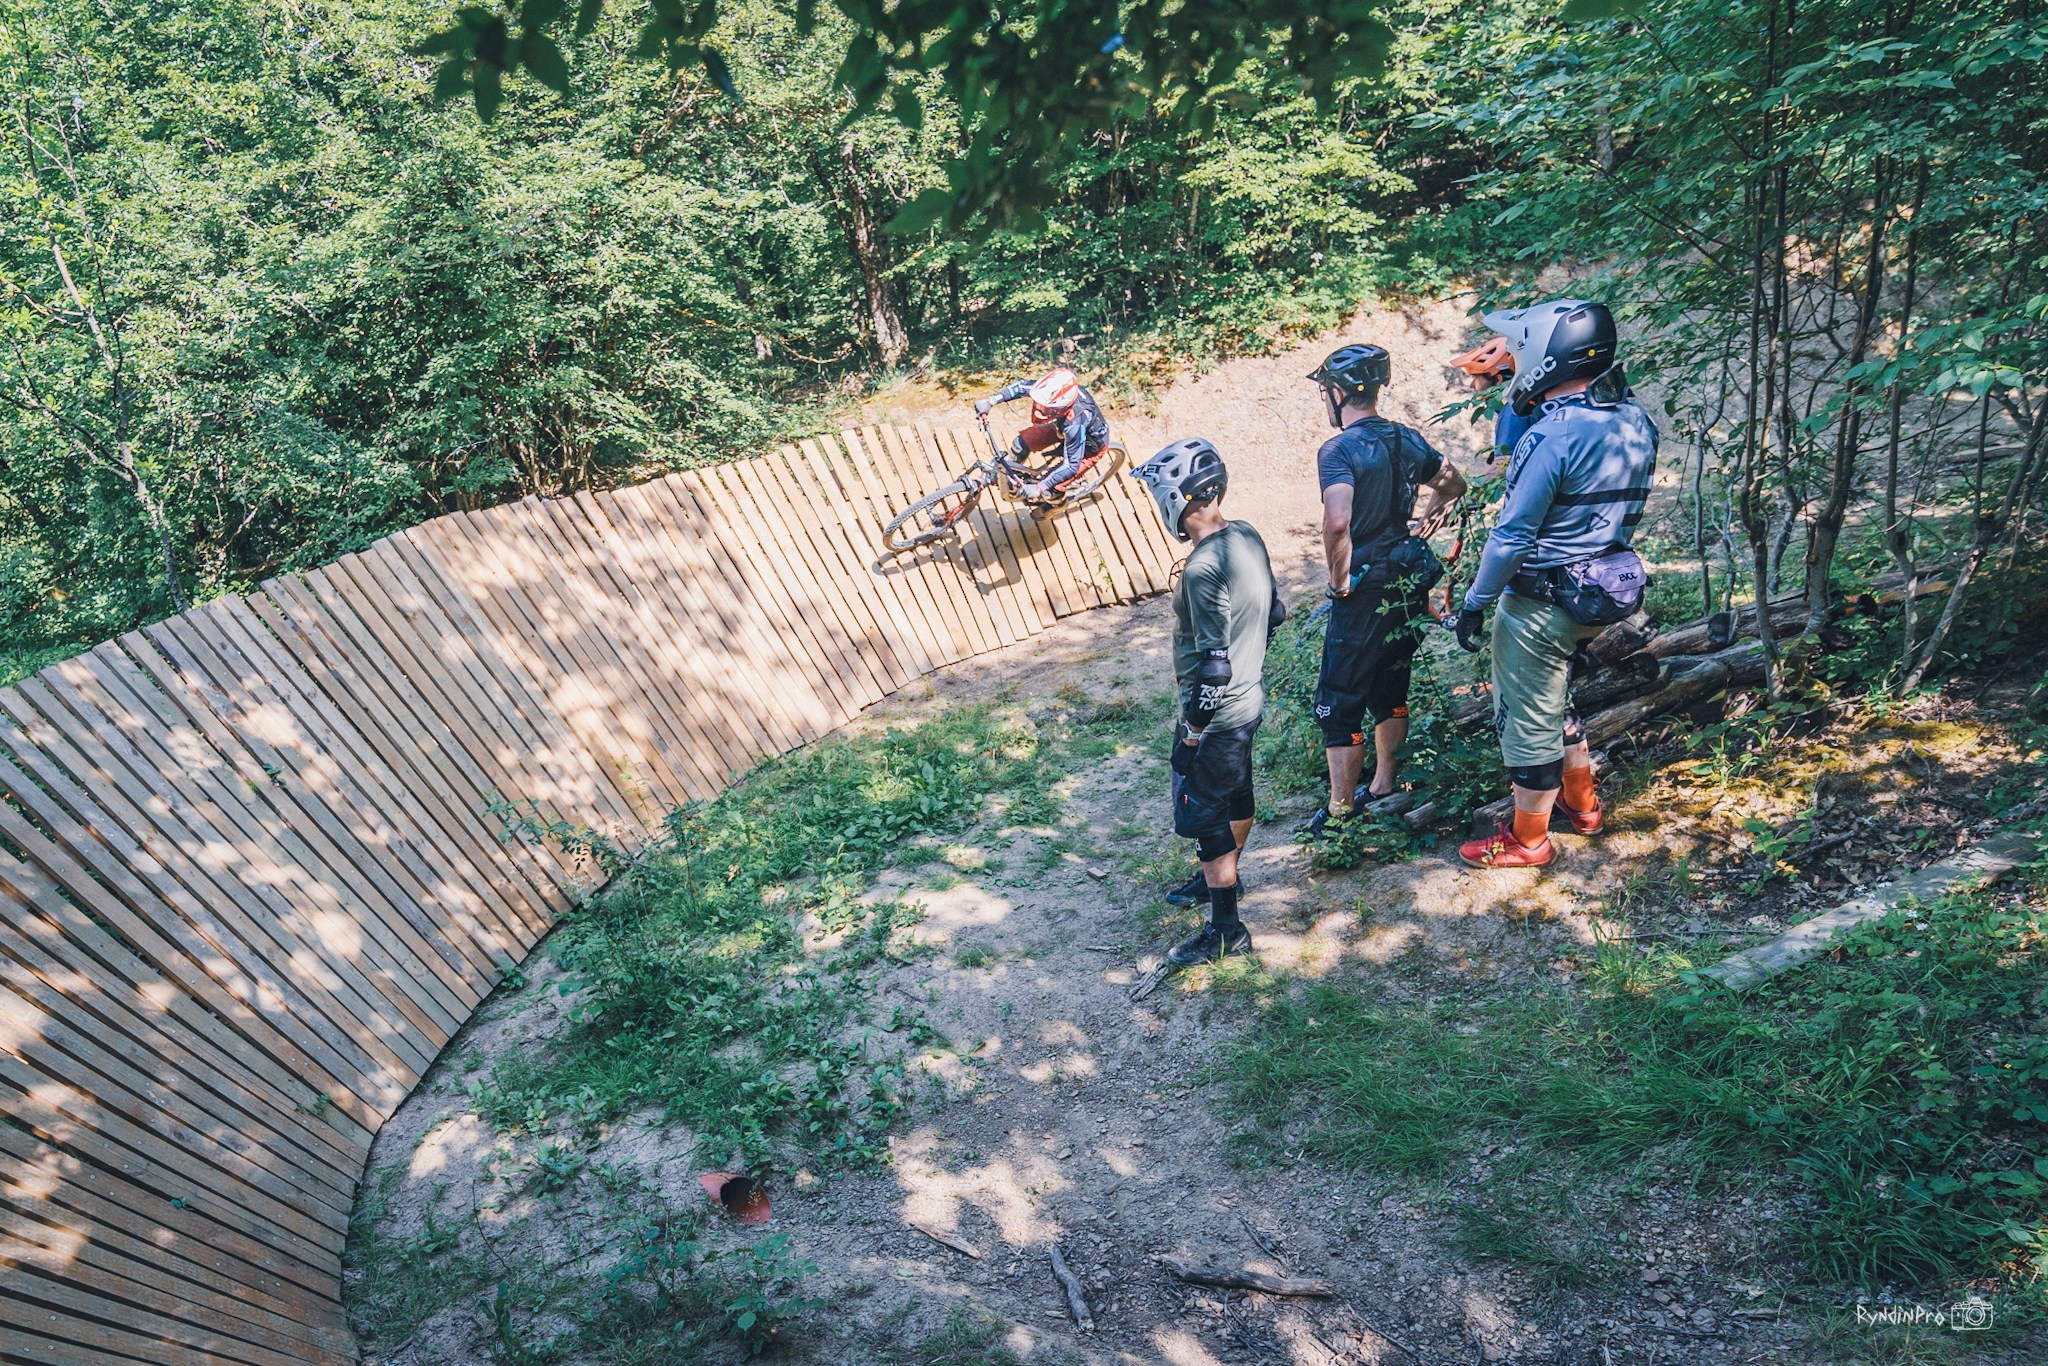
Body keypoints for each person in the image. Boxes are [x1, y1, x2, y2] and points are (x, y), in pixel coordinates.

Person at [1450, 299, 1659, 869]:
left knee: (1527, 720)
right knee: (1554, 700)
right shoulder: (1635, 420)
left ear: (1547, 354)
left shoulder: (1553, 436)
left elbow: (1512, 537)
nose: (1513, 359)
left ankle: (1528, 840)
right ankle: (1583, 805)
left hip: (1542, 599)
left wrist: (1475, 603)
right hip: (1602, 586)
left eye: (1520, 348)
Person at [1296, 344, 1466, 839]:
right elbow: (1453, 482)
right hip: (1407, 574)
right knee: (1391, 682)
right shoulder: (1404, 439)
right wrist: (1428, 518)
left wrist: (1339, 581)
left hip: (1366, 583)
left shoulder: (1339, 450)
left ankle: (1341, 812)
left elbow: (1337, 522)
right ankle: (1385, 783)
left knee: (1338, 697)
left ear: (1339, 393)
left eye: (1326, 390)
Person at [1132, 438, 1281, 964]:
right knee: (1236, 793)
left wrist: (1192, 733)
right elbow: (1276, 611)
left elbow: (1214, 668)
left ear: (1177, 497)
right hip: (1249, 701)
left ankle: (1226, 930)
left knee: (1206, 817)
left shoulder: (1200, 569)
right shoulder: (1245, 535)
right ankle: (1224, 880)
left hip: (1217, 713)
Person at [975, 368, 1111, 505]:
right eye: (1039, 404)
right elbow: (1021, 386)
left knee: (1052, 490)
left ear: (1062, 407)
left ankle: (1055, 507)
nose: (1040, 409)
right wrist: (990, 401)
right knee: (1020, 445)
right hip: (1060, 424)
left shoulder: (1076, 422)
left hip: (1090, 448)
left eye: (1047, 408)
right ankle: (1010, 475)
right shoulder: (1055, 391)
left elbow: (1071, 466)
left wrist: (1040, 487)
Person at [1449, 335, 1530, 467]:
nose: (1472, 386)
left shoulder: (1512, 411)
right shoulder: (1526, 402)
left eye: (1476, 378)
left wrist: (1481, 487)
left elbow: (1501, 467)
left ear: (1498, 380)